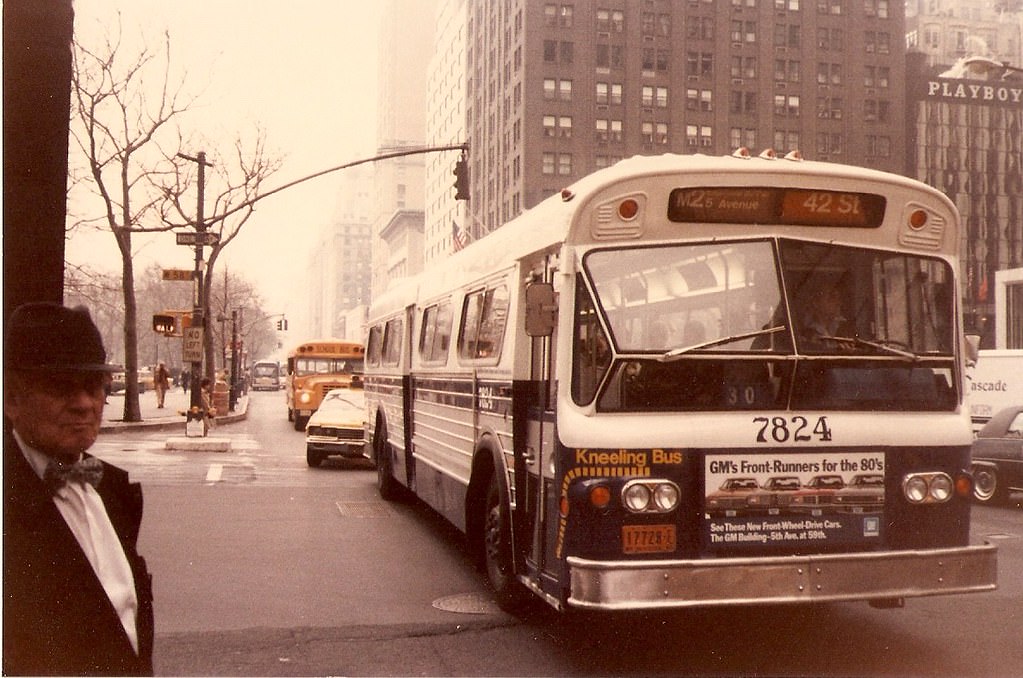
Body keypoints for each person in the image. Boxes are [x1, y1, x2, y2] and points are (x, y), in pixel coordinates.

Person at [3, 303, 155, 676]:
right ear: (11, 399)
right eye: (61, 388)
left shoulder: (114, 490)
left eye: (92, 387)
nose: (84, 404)